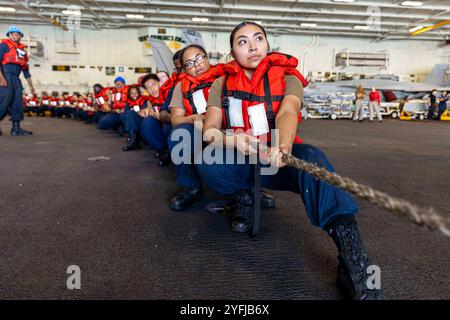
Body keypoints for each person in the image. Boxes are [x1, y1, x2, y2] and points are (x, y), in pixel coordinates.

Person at [195, 21, 383, 300]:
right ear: (232, 52)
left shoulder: (288, 77)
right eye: (242, 41)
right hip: (239, 158)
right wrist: (229, 140)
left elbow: (288, 111)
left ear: (268, 44)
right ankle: (243, 196)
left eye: (258, 38)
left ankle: (351, 252)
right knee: (207, 160)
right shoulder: (220, 83)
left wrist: (281, 146)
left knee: (313, 158)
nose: (253, 46)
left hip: (277, 160)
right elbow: (210, 129)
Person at [167, 44, 226, 211]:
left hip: (228, 128)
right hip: (198, 126)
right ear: (184, 69)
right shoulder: (181, 86)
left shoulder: (226, 76)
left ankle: (250, 189)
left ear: (207, 58)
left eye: (199, 58)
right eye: (189, 63)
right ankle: (191, 187)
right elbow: (175, 119)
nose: (197, 65)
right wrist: (193, 118)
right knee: (179, 134)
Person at [0, 26, 34, 136]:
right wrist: (1, 78)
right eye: (12, 33)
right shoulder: (3, 46)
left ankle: (16, 128)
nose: (15, 35)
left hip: (16, 79)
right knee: (4, 103)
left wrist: (31, 86)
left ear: (20, 36)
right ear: (9, 35)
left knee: (17, 103)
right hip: (5, 76)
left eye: (17, 34)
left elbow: (25, 70)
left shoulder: (22, 52)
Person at [136, 74, 172, 165]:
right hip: (160, 123)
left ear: (160, 83)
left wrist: (157, 115)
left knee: (167, 128)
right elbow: (150, 112)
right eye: (148, 88)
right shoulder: (150, 100)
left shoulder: (169, 93)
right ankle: (163, 152)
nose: (152, 89)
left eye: (154, 85)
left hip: (172, 122)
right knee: (147, 122)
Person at [122, 85, 149, 151]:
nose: (134, 95)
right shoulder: (128, 103)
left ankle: (133, 140)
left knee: (131, 113)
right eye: (132, 93)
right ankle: (133, 139)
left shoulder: (144, 101)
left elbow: (144, 113)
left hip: (143, 123)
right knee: (126, 114)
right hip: (134, 125)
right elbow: (125, 115)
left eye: (136, 92)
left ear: (139, 93)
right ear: (129, 94)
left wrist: (136, 113)